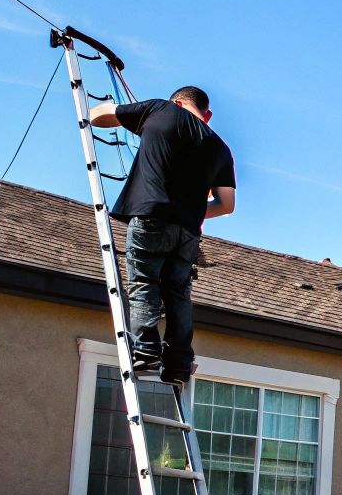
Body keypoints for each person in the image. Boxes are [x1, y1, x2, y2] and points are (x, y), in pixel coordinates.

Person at [89, 86, 235, 386]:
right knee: (178, 296)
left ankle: (146, 351)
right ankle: (179, 364)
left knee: (144, 284)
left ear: (178, 102)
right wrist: (191, 209)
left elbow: (98, 118)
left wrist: (109, 107)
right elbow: (226, 205)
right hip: (187, 233)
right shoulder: (220, 148)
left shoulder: (160, 110)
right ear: (207, 114)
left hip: (150, 218)